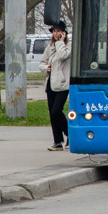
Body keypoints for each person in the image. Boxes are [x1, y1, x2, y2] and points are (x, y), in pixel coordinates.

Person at [40, 22, 71, 151]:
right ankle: (57, 141)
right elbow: (42, 62)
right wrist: (45, 68)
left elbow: (63, 56)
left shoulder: (68, 46)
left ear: (64, 33)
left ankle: (70, 133)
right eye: (54, 31)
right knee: (52, 114)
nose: (56, 33)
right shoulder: (50, 47)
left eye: (59, 31)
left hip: (63, 84)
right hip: (51, 83)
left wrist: (60, 42)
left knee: (56, 111)